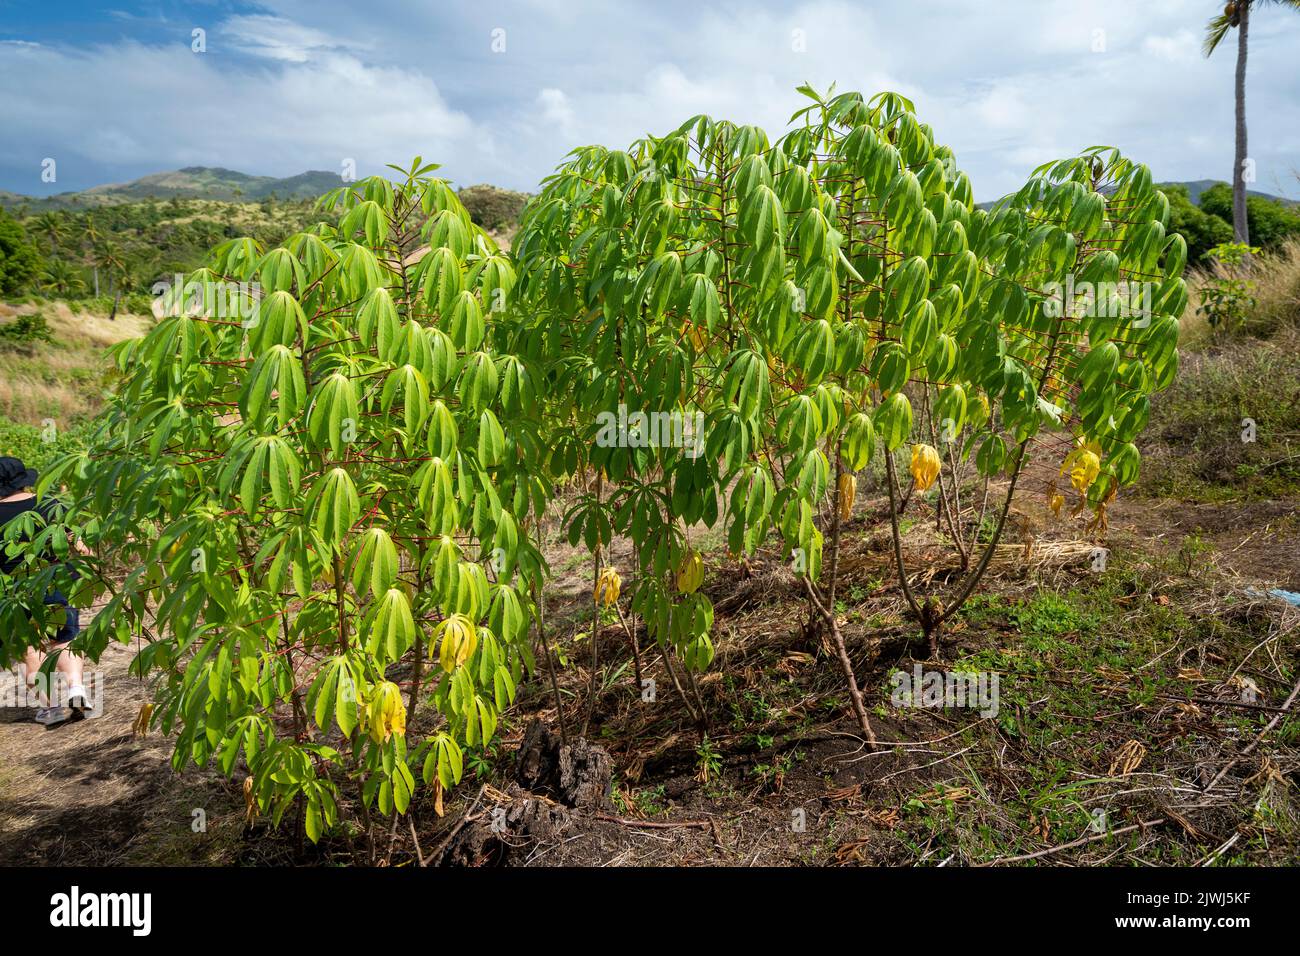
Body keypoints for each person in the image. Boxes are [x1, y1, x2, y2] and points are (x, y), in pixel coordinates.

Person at [0, 455, 97, 726]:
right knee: (64, 639)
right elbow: (79, 544)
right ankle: (77, 689)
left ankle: (50, 707)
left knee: (29, 649)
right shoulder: (47, 503)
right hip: (55, 580)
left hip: (13, 593)